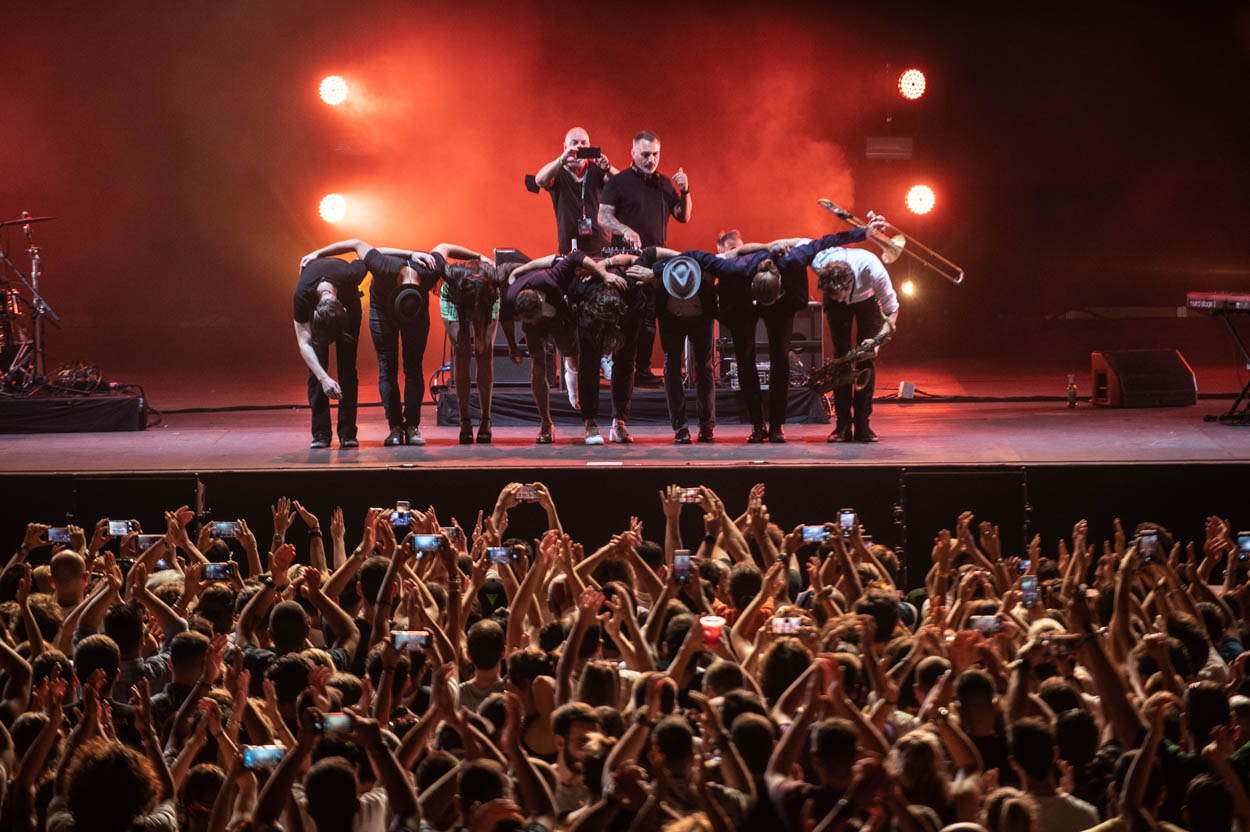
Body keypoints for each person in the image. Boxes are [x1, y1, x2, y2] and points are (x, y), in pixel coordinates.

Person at [301, 239, 490, 447]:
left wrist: (479, 257)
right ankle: (395, 427)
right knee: (387, 367)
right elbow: (359, 244)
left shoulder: (429, 269)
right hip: (382, 311)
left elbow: (445, 247)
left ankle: (412, 427)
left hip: (416, 312)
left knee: (413, 367)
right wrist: (318, 253)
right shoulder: (384, 266)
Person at [598, 130, 691, 389]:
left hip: (658, 259)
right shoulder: (619, 182)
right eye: (646, 154)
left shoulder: (663, 184)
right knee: (628, 316)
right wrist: (625, 229)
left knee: (652, 316)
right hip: (627, 261)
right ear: (633, 153)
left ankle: (643, 369)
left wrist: (685, 191)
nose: (652, 160)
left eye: (655, 154)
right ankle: (623, 368)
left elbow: (683, 216)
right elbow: (602, 217)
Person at [502, 250, 621, 444]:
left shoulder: (549, 282)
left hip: (559, 317)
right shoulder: (510, 297)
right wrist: (512, 346)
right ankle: (546, 423)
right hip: (537, 320)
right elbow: (506, 321)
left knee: (573, 357)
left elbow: (576, 256)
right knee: (537, 366)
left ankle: (572, 377)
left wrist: (603, 273)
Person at [622, 251, 717, 443]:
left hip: (701, 319)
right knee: (671, 367)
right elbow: (648, 252)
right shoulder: (660, 278)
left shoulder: (706, 276)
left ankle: (707, 425)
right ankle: (680, 426)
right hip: (671, 318)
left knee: (704, 366)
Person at [814, 243, 899, 443]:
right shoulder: (819, 262)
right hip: (835, 299)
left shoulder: (874, 271)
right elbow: (796, 243)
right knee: (842, 358)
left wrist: (877, 343)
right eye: (838, 298)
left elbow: (893, 311)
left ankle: (863, 425)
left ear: (851, 284)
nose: (843, 302)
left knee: (865, 359)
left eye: (843, 297)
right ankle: (842, 425)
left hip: (868, 300)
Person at [291, 252, 367, 448]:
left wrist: (411, 254)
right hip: (318, 311)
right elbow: (304, 343)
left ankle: (348, 432)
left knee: (347, 369)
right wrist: (324, 378)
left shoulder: (352, 274)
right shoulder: (302, 295)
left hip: (349, 308)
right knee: (317, 370)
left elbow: (364, 249)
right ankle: (321, 433)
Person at [532, 127, 617, 256]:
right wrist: (562, 159)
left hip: (600, 248)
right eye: (574, 143)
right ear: (565, 146)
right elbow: (539, 180)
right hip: (569, 249)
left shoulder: (597, 169)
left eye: (584, 143)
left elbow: (622, 185)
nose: (579, 147)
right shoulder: (558, 171)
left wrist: (608, 168)